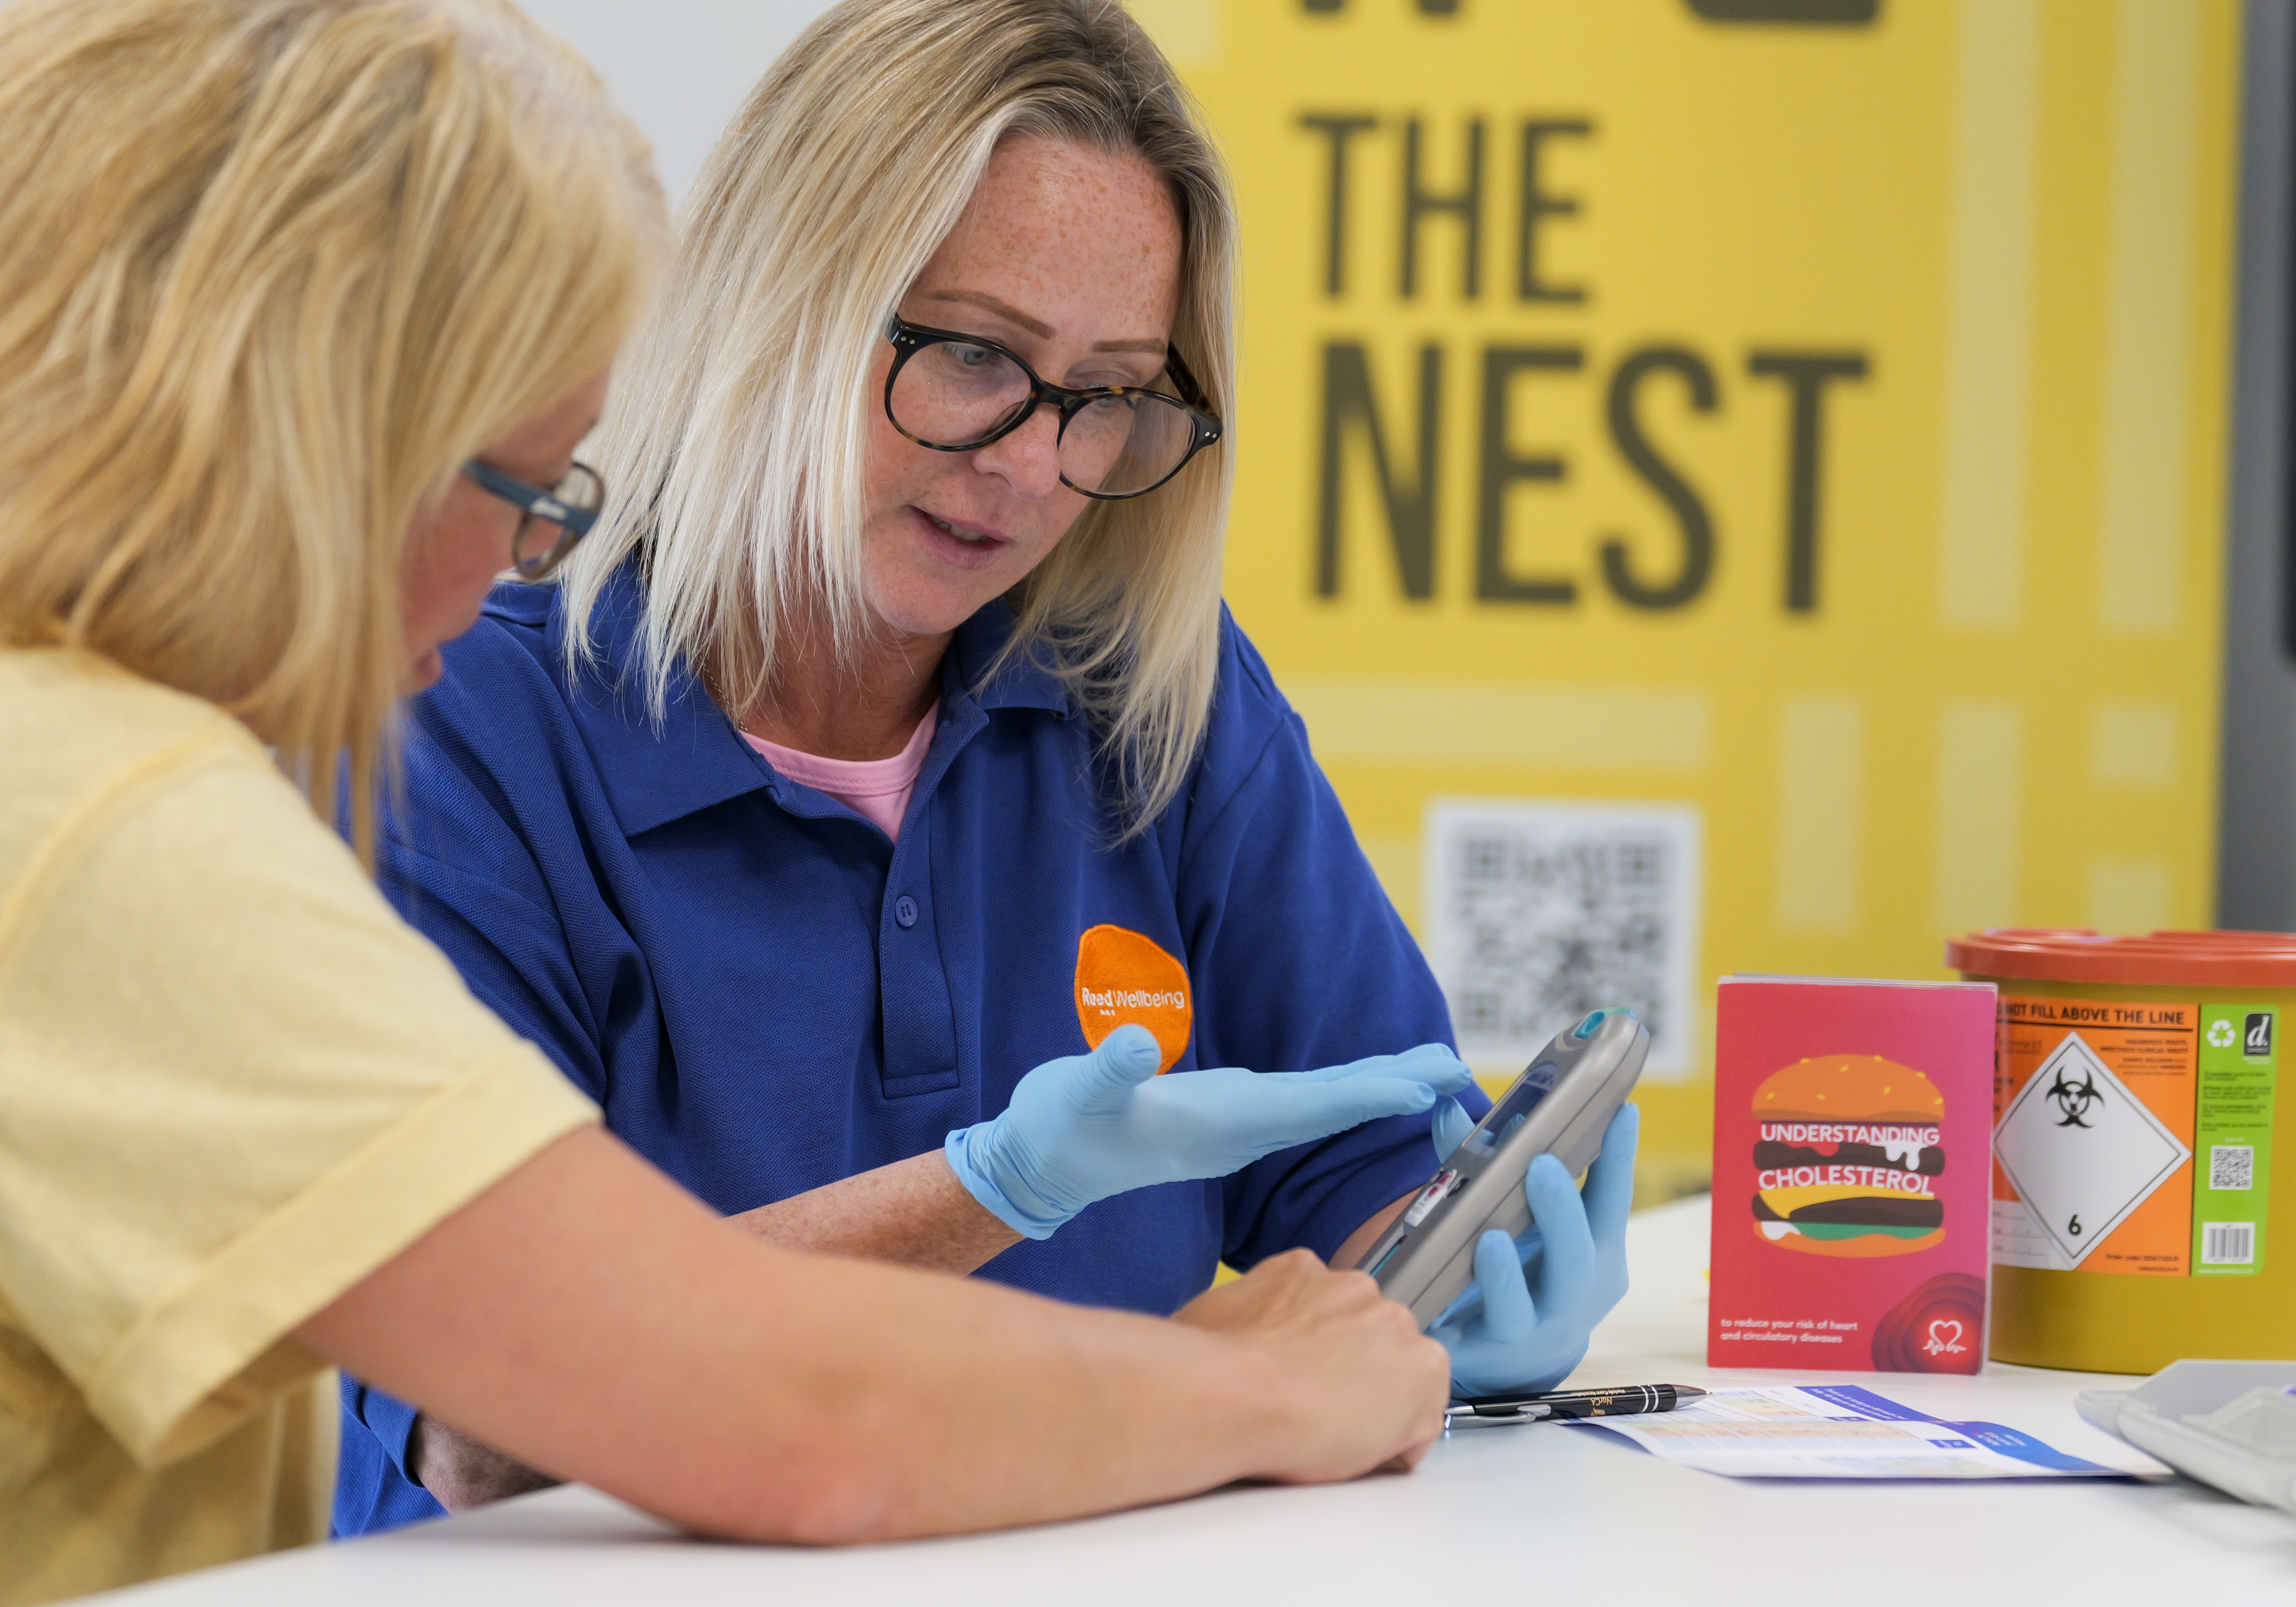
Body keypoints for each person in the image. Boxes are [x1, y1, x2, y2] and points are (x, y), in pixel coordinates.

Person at [0, 3, 1465, 1601]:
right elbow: (692, 1405)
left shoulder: (86, 777)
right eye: (520, 484)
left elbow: (1383, 1164)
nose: (529, 555)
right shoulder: (110, 830)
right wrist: (1247, 1380)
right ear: (302, 424)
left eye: (1106, 394)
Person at [337, 0, 1640, 1533]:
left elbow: (1357, 1185)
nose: (1030, 467)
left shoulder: (1145, 693)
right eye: (970, 355)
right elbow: (484, 1418)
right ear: (776, 299)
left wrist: (1455, 1271)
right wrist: (992, 1191)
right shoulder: (463, 724)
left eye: (1108, 394)